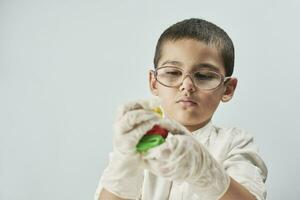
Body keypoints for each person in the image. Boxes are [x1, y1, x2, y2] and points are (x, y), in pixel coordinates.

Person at [94, 18, 268, 200]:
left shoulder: (235, 143)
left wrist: (205, 172)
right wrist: (125, 161)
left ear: (228, 88)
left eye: (204, 75)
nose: (186, 85)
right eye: (172, 72)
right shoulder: (137, 142)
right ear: (154, 83)